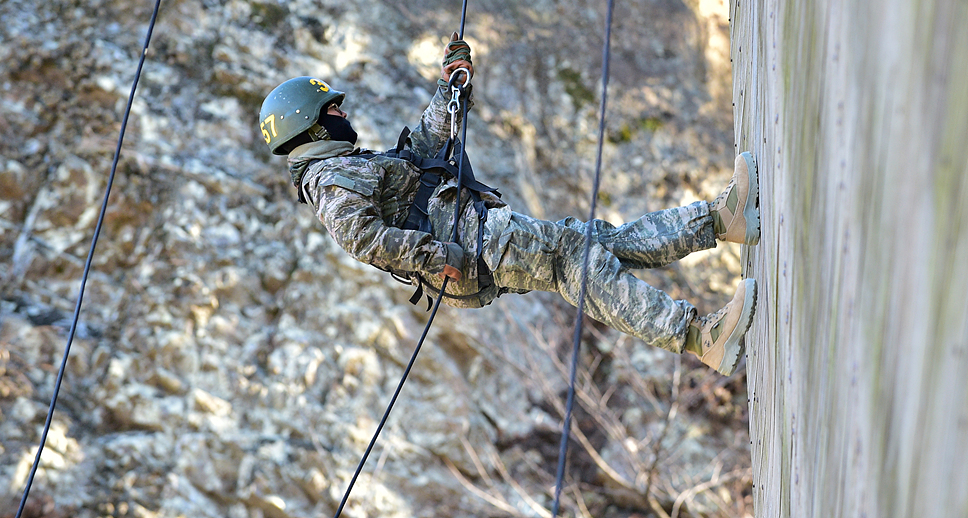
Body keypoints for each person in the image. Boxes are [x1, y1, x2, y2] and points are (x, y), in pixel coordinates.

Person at [259, 34, 760, 376]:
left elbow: (421, 154)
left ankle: (719, 222)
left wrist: (450, 87)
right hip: (468, 245)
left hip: (472, 235)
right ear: (312, 124)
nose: (344, 113)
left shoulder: (345, 167)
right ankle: (699, 337)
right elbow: (365, 241)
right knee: (572, 261)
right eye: (333, 109)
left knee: (590, 243)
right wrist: (437, 256)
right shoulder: (328, 180)